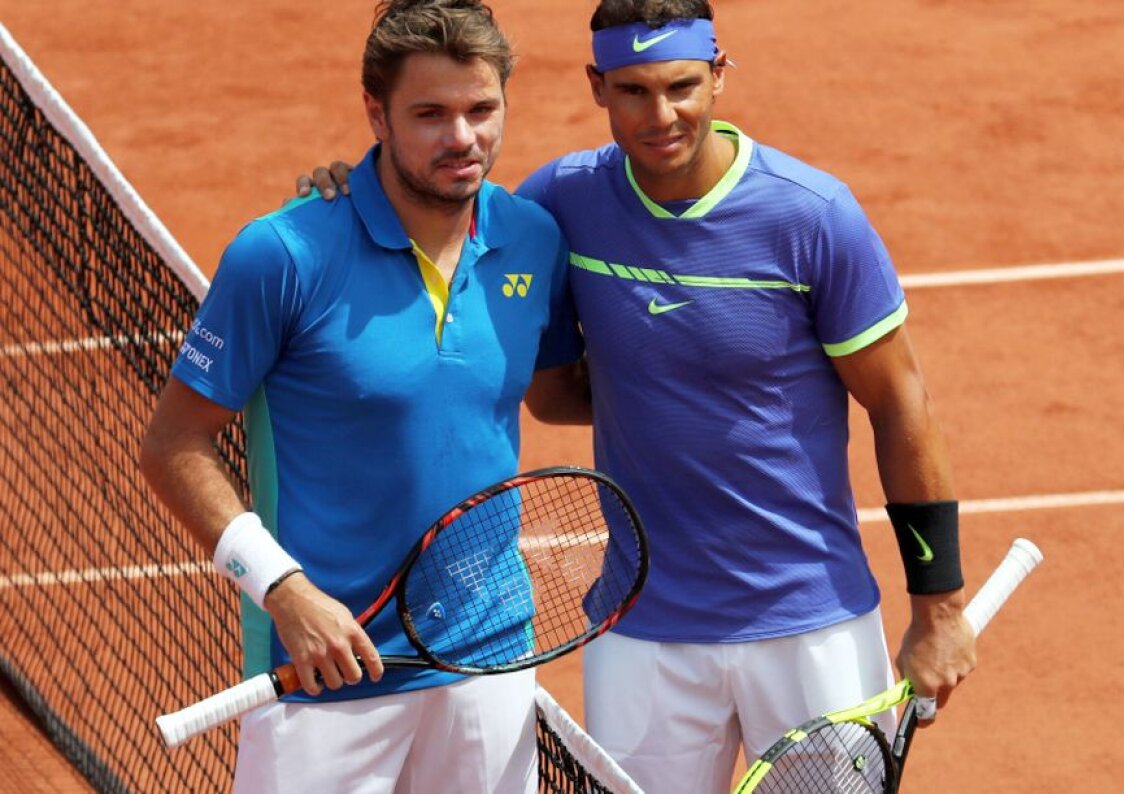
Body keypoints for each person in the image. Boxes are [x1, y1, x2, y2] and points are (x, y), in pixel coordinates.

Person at [302, 2, 976, 792]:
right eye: (632, 92)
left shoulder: (813, 218)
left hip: (811, 625)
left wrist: (939, 610)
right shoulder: (564, 203)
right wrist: (354, 186)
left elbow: (901, 404)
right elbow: (448, 215)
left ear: (720, 74)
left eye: (682, 86)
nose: (662, 115)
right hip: (641, 632)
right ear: (597, 87)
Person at [140, 1, 581, 791]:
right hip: (325, 674)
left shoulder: (533, 239)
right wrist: (284, 592)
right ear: (375, 113)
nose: (462, 138)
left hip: (488, 664)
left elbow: (557, 391)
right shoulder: (284, 254)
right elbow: (173, 444)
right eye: (429, 114)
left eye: (482, 109)